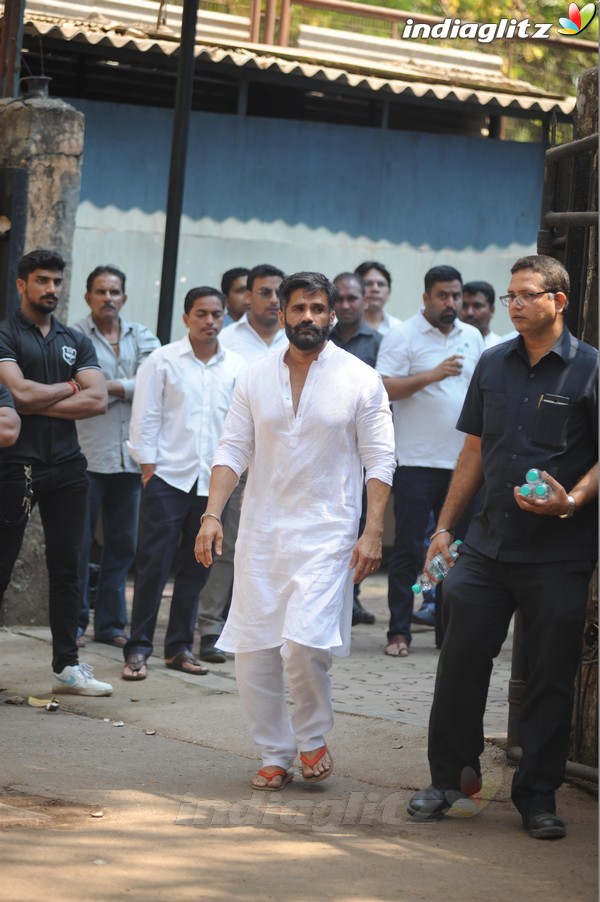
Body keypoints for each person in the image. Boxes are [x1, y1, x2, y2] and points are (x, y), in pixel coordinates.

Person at [408, 255, 598, 841]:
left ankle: (537, 795)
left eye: (525, 295)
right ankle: (453, 783)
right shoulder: (492, 363)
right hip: (486, 548)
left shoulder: (590, 369)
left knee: (548, 675)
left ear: (558, 301)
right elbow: (472, 453)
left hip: (558, 554)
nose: (513, 305)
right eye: (510, 296)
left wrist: (571, 502)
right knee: (460, 663)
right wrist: (444, 529)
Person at [194, 272, 396, 791]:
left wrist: (372, 532)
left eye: (318, 308)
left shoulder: (360, 378)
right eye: (298, 307)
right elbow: (232, 448)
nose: (308, 316)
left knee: (304, 644)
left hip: (329, 532)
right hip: (261, 530)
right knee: (255, 648)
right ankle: (273, 752)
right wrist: (212, 514)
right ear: (280, 313)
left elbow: (380, 460)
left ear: (332, 315)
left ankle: (311, 737)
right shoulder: (254, 376)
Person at [0, 249, 112, 696]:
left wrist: (41, 395)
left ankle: (67, 667)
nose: (51, 289)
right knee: (1, 567)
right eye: (42, 280)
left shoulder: (75, 339)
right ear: (21, 284)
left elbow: (99, 400)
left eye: (57, 282)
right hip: (17, 466)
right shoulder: (6, 334)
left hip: (67, 466)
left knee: (69, 568)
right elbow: (17, 395)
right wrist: (71, 387)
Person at [122, 286, 245, 680]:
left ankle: (178, 648)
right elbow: (145, 418)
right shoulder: (162, 361)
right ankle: (138, 647)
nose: (210, 321)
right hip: (168, 478)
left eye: (216, 314)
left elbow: (241, 427)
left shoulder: (237, 367)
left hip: (213, 484)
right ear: (186, 317)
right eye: (201, 314)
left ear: (225, 317)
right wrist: (148, 468)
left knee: (198, 567)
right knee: (153, 566)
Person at [376, 265, 484, 657]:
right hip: (415, 463)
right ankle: (399, 631)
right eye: (443, 296)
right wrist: (432, 375)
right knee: (408, 549)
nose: (451, 303)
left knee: (451, 552)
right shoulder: (402, 334)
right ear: (426, 298)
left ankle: (445, 632)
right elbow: (382, 387)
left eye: (456, 295)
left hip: (461, 467)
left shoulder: (472, 336)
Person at [195, 264, 287, 663]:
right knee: (227, 547)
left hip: (283, 468)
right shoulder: (228, 343)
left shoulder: (296, 343)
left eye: (278, 294)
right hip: (238, 466)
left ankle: (266, 629)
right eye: (264, 292)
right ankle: (210, 626)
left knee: (278, 549)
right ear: (247, 296)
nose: (272, 301)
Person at [72, 265, 160, 648]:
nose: (108, 297)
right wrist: (128, 388)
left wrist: (106, 387)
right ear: (88, 296)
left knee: (122, 546)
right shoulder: (72, 336)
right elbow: (70, 384)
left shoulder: (142, 335)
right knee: (78, 544)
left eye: (115, 291)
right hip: (86, 456)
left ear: (124, 297)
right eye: (101, 291)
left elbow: (156, 382)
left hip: (130, 458)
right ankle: (74, 622)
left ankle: (110, 625)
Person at [330, 271, 382, 626]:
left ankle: (355, 597)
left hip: (364, 449)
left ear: (366, 301)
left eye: (353, 299)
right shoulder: (319, 339)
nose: (346, 305)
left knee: (360, 521)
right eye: (340, 299)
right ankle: (335, 595)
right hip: (326, 448)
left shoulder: (379, 342)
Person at [354, 261, 401, 335]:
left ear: (389, 292)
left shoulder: (399, 328)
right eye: (368, 283)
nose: (375, 289)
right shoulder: (338, 327)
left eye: (381, 284)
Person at [459, 280, 505, 348]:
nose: (469, 313)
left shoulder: (501, 347)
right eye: (464, 306)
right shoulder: (449, 345)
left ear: (492, 310)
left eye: (477, 306)